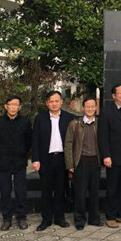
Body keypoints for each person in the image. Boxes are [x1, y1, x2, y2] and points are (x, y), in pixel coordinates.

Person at [32, 91, 74, 231]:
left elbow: (73, 141)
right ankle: (46, 219)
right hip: (46, 160)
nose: (54, 104)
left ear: (61, 102)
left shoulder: (69, 118)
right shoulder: (40, 118)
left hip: (62, 159)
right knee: (46, 191)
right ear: (47, 103)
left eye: (57, 101)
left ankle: (60, 218)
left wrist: (72, 162)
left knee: (61, 190)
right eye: (51, 101)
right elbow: (35, 140)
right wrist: (36, 159)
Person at [0, 95, 32, 231]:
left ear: (19, 107)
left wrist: (22, 152)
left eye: (16, 104)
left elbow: (28, 141)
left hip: (19, 161)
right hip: (3, 162)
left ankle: (21, 218)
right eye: (11, 104)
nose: (13, 107)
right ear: (6, 106)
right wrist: (3, 152)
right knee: (5, 191)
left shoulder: (25, 122)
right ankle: (7, 219)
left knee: (21, 191)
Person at [98, 84, 121, 228]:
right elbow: (102, 136)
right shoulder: (107, 112)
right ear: (114, 96)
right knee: (112, 188)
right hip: (112, 156)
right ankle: (110, 216)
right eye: (120, 93)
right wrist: (106, 155)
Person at [64, 97, 103, 230]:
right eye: (87, 106)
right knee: (80, 193)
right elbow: (68, 145)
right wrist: (70, 164)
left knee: (94, 193)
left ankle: (94, 218)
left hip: (95, 162)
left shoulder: (99, 123)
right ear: (83, 108)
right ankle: (79, 220)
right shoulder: (74, 124)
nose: (90, 109)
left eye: (93, 106)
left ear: (96, 108)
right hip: (80, 162)